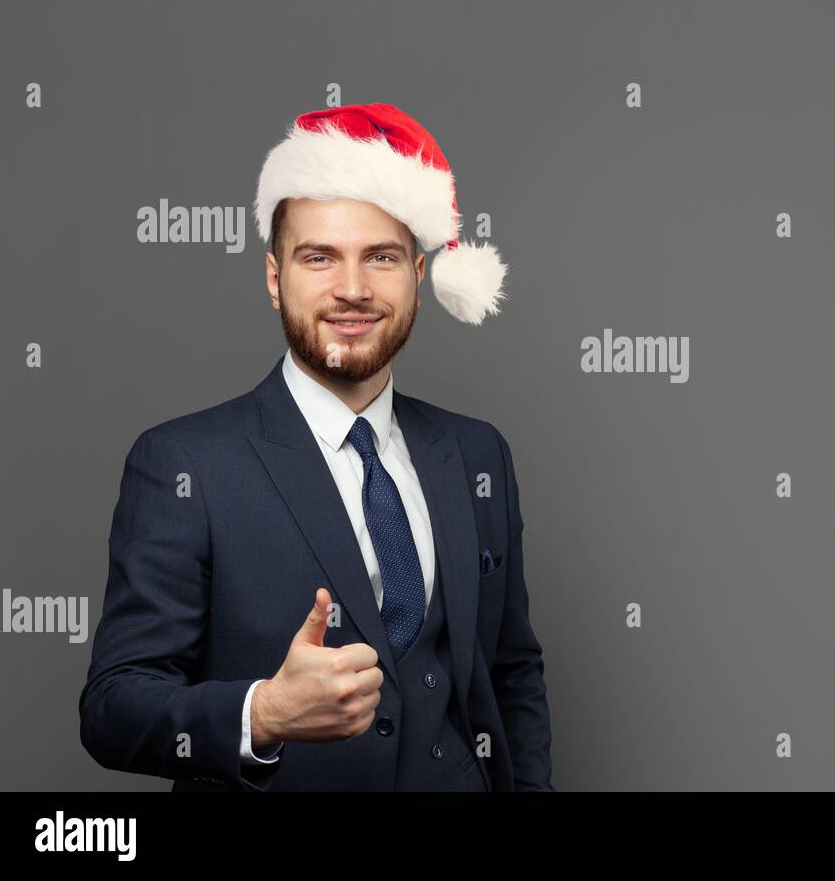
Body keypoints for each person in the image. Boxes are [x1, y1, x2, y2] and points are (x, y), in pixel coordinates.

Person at [79, 103, 553, 791]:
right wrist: (264, 713)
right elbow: (112, 708)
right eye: (320, 257)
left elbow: (512, 672)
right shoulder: (184, 464)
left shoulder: (478, 454)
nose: (353, 289)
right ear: (276, 278)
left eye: (381, 258)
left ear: (418, 276)